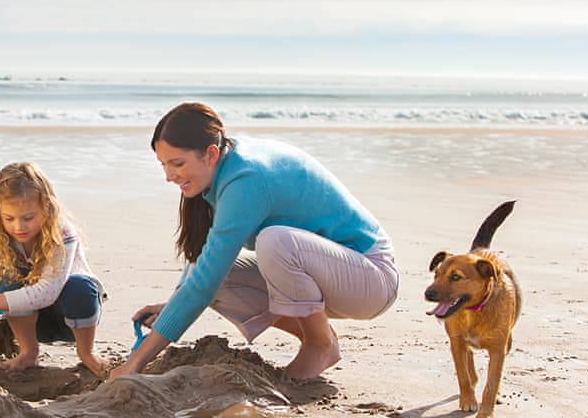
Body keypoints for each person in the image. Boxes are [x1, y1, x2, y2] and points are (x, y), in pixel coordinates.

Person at [109, 102, 399, 380]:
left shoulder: (246, 179)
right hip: (327, 276)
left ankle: (319, 344)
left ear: (210, 153)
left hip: (370, 277)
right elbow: (206, 264)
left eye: (177, 163)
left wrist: (135, 363)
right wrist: (171, 306)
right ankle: (320, 337)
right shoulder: (222, 166)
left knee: (275, 242)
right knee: (221, 275)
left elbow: (203, 284)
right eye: (163, 165)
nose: (169, 176)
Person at [0, 162, 110, 377]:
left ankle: (86, 352)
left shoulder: (61, 234)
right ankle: (29, 351)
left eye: (28, 218)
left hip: (73, 318)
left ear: (46, 207)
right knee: (8, 281)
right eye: (9, 218)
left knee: (79, 285)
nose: (19, 227)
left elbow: (47, 291)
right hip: (33, 325)